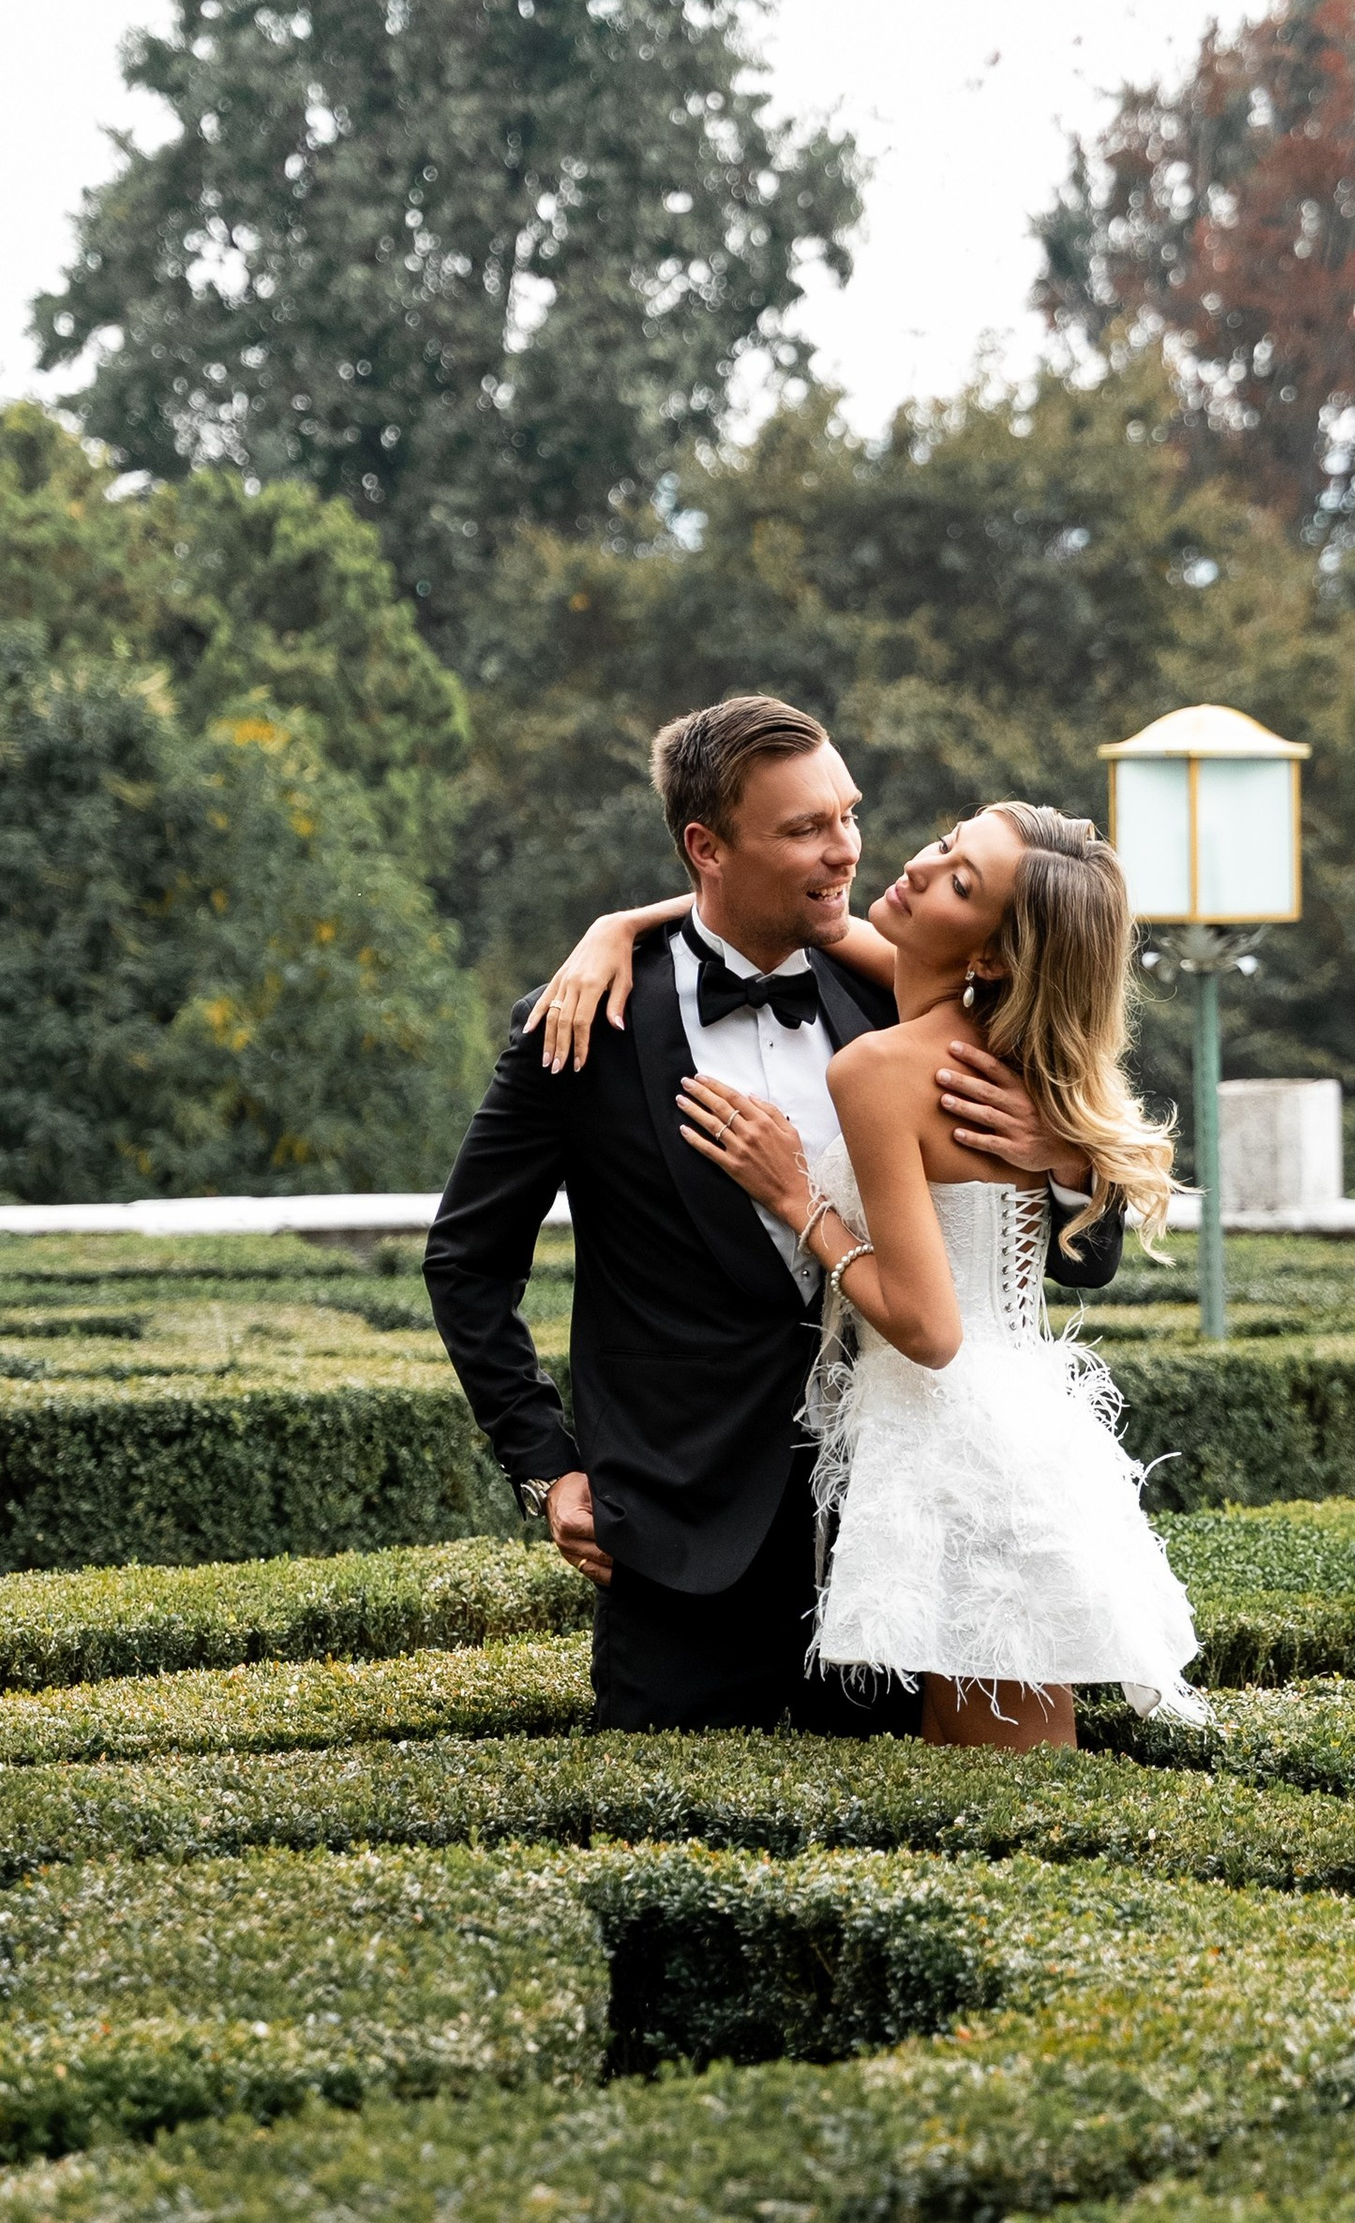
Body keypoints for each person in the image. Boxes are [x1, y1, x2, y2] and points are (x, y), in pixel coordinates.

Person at [422, 694, 1130, 1733]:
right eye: (804, 829)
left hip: (899, 1531)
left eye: (846, 814)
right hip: (674, 1538)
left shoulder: (907, 994)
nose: (846, 849)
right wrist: (546, 1469)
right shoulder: (582, 1024)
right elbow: (466, 1264)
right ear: (704, 846)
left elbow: (1084, 1256)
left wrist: (1061, 1157)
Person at [543, 796, 1203, 1751]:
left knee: (1006, 1790)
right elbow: (741, 918)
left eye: (961, 879)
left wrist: (801, 1201)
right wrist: (614, 928)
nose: (921, 866)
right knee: (994, 1767)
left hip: (952, 1439)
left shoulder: (884, 1065)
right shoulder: (978, 1027)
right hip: (1011, 1425)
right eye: (946, 844)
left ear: (991, 955)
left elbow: (931, 1332)